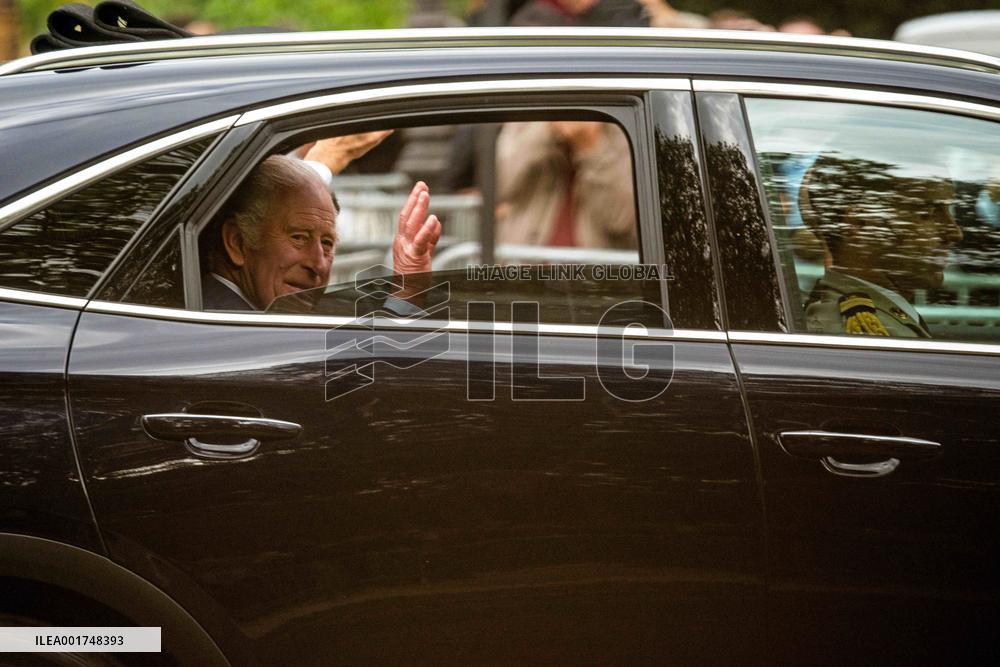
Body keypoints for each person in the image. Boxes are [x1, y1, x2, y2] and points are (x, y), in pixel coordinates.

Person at [201, 155, 441, 311]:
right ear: (237, 242)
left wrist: (410, 289)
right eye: (299, 237)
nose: (318, 264)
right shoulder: (225, 325)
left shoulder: (244, 317)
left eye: (327, 243)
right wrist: (408, 294)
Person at [799, 153, 963, 337]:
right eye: (928, 213)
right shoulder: (856, 331)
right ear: (859, 222)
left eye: (948, 211)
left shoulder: (884, 317)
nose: (955, 233)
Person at [495, 120, 636, 249]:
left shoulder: (624, 125)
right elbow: (495, 186)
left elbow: (621, 218)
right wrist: (545, 128)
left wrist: (591, 145)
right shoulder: (523, 120)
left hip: (596, 266)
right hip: (522, 263)